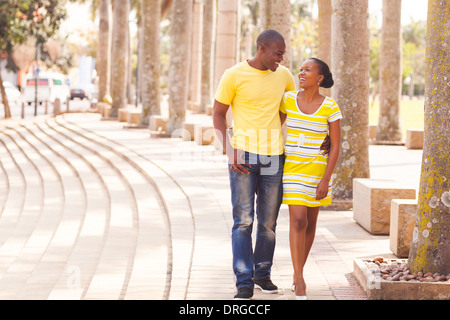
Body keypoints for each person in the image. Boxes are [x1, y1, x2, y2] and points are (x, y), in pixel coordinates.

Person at [212, 30, 296, 300]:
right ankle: (244, 281)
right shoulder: (234, 74)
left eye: (282, 54)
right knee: (243, 221)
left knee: (268, 223)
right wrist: (230, 151)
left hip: (274, 156)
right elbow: (218, 113)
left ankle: (262, 273)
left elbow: (290, 108)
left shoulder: (283, 76)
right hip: (243, 157)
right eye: (277, 53)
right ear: (262, 48)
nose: (281, 59)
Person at [279, 57, 341, 300]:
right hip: (292, 170)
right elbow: (274, 125)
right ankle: (301, 280)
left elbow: (335, 146)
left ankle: (297, 274)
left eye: (308, 70)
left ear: (320, 78)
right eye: (301, 69)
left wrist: (326, 179)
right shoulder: (287, 100)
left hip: (317, 172)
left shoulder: (330, 107)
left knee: (311, 223)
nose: (301, 73)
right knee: (298, 221)